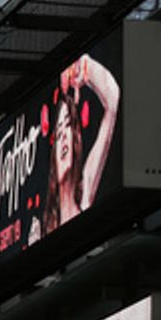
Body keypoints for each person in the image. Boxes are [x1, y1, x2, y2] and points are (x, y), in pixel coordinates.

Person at [41, 53, 120, 236]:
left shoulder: (84, 194)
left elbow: (112, 100)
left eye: (67, 125)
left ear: (75, 135)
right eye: (59, 132)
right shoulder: (43, 225)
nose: (64, 139)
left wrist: (85, 66)